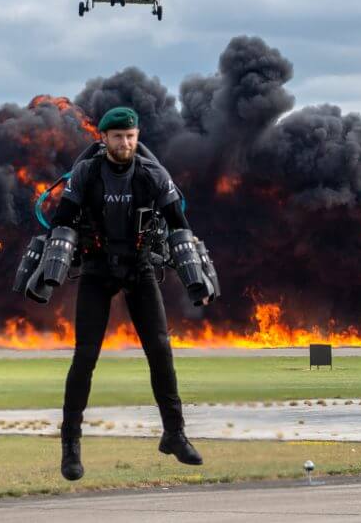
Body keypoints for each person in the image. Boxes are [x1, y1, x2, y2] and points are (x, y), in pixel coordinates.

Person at [45, 106, 215, 481]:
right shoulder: (86, 173)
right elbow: (60, 222)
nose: (126, 142)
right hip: (96, 270)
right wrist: (48, 271)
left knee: (160, 351)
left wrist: (198, 283)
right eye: (118, 136)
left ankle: (175, 434)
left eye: (131, 135)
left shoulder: (153, 174)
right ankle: (70, 446)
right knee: (84, 358)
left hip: (140, 269)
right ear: (103, 138)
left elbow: (180, 227)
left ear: (137, 137)